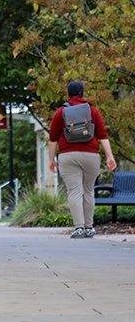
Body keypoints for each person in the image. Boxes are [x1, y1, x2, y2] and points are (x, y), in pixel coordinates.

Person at [48, 80, 117, 239]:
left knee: (74, 192)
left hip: (68, 156)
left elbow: (53, 139)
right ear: (82, 93)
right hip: (91, 155)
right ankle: (89, 227)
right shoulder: (92, 110)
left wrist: (52, 160)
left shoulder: (61, 112)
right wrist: (109, 156)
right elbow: (102, 135)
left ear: (69, 94)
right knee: (88, 190)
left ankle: (79, 228)